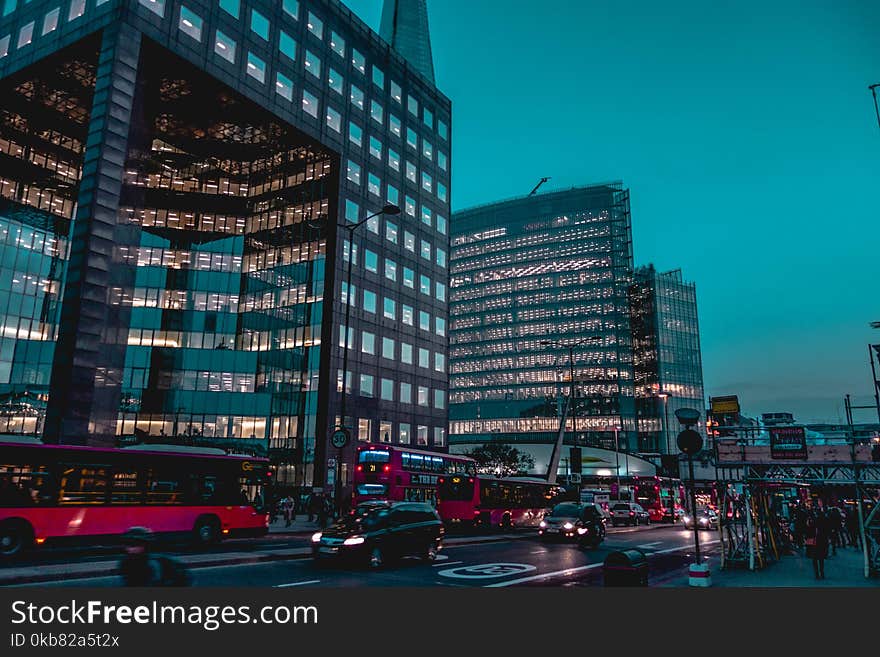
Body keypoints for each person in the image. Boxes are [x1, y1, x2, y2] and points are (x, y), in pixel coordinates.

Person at [119, 527, 190, 587]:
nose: (129, 549)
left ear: (145, 545)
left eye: (134, 545)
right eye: (127, 545)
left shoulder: (155, 563)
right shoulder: (126, 562)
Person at [804, 506, 830, 580]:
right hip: (823, 540)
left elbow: (809, 529)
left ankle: (817, 574)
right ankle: (822, 572)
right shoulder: (825, 520)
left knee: (815, 558)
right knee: (821, 558)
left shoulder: (815, 520)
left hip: (815, 541)